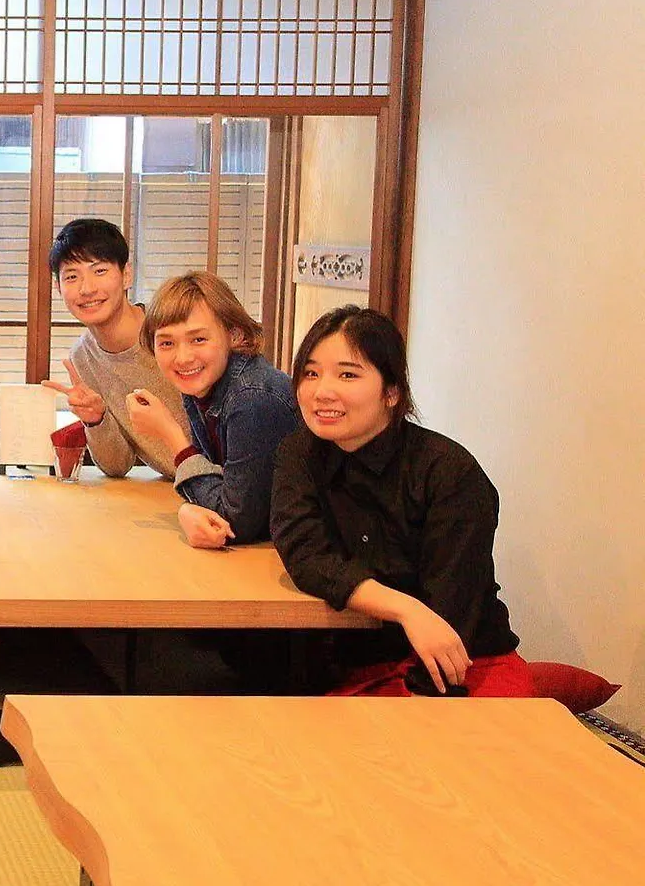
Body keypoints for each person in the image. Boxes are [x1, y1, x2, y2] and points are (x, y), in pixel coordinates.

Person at [272, 307, 532, 697]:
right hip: (357, 660)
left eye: (347, 374)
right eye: (311, 373)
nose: (322, 391)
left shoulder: (450, 473)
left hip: (462, 658)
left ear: (392, 392)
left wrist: (416, 708)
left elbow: (449, 614)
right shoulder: (299, 453)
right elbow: (306, 557)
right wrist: (405, 609)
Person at [127, 272, 301, 548]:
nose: (183, 358)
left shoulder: (252, 398)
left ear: (234, 334)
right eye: (167, 343)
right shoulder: (201, 387)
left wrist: (171, 435)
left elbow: (235, 523)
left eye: (198, 339)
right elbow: (217, 489)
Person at [39, 218, 205, 480]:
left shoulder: (171, 331)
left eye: (100, 271)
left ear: (126, 275)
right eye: (72, 276)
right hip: (178, 489)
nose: (87, 289)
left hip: (227, 486)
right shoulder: (82, 357)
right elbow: (117, 466)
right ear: (58, 287)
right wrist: (96, 420)